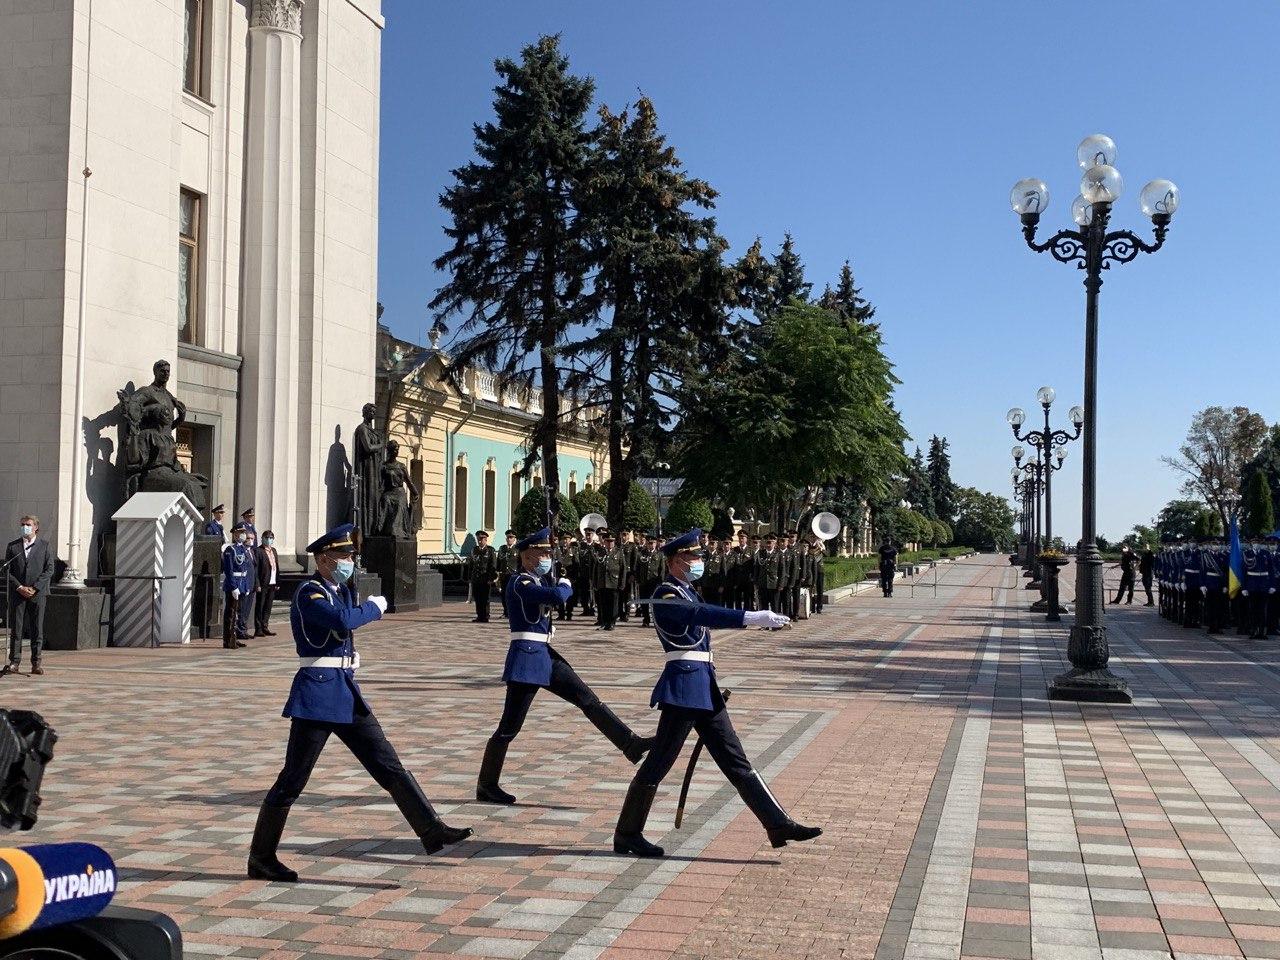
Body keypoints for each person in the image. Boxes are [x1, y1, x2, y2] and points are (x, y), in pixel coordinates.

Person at [248, 524, 470, 883]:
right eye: (343, 556)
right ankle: (261, 857)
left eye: (351, 556)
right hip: (318, 696)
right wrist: (375, 608)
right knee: (292, 780)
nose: (349, 562)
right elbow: (342, 621)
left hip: (344, 692)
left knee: (388, 764)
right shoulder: (310, 592)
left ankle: (432, 829)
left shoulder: (336, 590)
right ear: (323, 559)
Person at [612, 528, 822, 858]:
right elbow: (701, 615)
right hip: (683, 688)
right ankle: (627, 833)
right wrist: (751, 617)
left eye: (699, 556)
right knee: (659, 762)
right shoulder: (666, 595)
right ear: (674, 561)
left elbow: (702, 613)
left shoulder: (687, 591)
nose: (699, 562)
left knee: (735, 759)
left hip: (703, 687)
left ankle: (778, 823)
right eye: (692, 557)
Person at [475, 527, 655, 805]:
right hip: (526, 659)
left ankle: (629, 743)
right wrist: (565, 585)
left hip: (544, 654)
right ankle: (487, 785)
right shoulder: (518, 582)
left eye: (549, 552)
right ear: (526, 556)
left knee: (588, 699)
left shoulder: (536, 579)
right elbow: (556, 598)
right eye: (542, 552)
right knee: (509, 727)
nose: (547, 556)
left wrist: (554, 579)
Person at [4, 515, 55, 676]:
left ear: (36, 528)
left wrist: (35, 587)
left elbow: (49, 569)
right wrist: (19, 587)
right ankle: (14, 661)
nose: (24, 527)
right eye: (22, 524)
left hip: (37, 594)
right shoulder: (13, 547)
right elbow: (7, 570)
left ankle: (36, 662)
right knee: (17, 629)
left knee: (36, 629)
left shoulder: (45, 546)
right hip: (18, 594)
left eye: (28, 525)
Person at [221, 522, 253, 650]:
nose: (243, 535)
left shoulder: (242, 549)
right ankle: (228, 640)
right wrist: (234, 587)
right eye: (240, 533)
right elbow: (229, 571)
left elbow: (244, 570)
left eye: (244, 533)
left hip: (241, 584)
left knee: (238, 614)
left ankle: (234, 636)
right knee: (231, 613)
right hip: (233, 585)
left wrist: (245, 586)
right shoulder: (230, 550)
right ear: (235, 534)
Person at [594, 531, 627, 631]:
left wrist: (622, 583)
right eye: (608, 541)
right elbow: (595, 568)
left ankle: (612, 622)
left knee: (613, 604)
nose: (610, 543)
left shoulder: (618, 552)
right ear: (604, 542)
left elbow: (623, 568)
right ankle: (604, 621)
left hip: (614, 582)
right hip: (602, 582)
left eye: (611, 541)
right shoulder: (600, 552)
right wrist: (595, 582)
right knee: (603, 604)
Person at [236, 508, 259, 640]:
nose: (251, 540)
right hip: (243, 583)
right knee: (241, 608)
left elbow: (254, 569)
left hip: (250, 583)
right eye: (249, 538)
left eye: (252, 538)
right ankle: (239, 630)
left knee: (247, 608)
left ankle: (243, 629)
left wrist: (256, 583)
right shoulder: (240, 550)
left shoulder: (251, 552)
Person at [468, 530, 499, 623]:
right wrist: (470, 577)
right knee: (477, 598)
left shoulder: (490, 550)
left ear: (486, 540)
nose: (480, 541)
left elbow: (493, 565)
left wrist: (491, 578)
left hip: (485, 578)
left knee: (485, 598)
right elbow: (471, 564)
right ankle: (479, 615)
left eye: (482, 539)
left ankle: (485, 616)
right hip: (476, 578)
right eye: (478, 539)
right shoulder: (474, 550)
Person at [254, 529, 281, 636]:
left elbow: (276, 567)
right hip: (263, 582)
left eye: (271, 538)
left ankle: (265, 626)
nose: (269, 540)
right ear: (262, 539)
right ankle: (258, 628)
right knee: (260, 605)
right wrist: (257, 584)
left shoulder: (273, 550)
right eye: (266, 538)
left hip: (272, 582)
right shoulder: (258, 551)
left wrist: (278, 581)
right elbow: (256, 569)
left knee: (268, 606)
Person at [496, 530, 519, 618]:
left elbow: (520, 563)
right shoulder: (502, 548)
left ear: (514, 539)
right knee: (504, 594)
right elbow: (499, 562)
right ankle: (506, 612)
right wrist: (497, 573)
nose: (509, 539)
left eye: (511, 537)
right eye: (508, 537)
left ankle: (513, 612)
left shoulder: (517, 549)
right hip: (504, 575)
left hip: (513, 575)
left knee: (513, 594)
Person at [810, 541, 827, 614]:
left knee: (820, 589)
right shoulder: (809, 547)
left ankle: (819, 607)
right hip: (811, 571)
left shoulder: (821, 547)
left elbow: (827, 554)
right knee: (811, 589)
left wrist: (821, 548)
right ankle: (812, 607)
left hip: (820, 570)